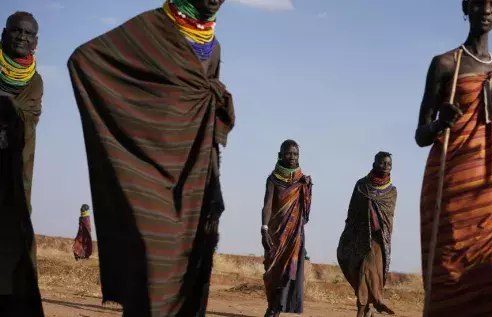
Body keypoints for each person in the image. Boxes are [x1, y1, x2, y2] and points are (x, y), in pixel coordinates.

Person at [67, 0, 235, 316]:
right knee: (151, 259)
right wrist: (136, 130)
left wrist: (215, 182)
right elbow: (85, 60)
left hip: (195, 173)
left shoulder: (212, 46)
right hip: (149, 169)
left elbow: (205, 107)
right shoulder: (151, 30)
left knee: (192, 260)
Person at [414, 0, 492, 316]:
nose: (485, 9)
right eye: (478, 2)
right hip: (451, 187)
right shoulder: (445, 64)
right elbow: (420, 135)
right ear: (466, 8)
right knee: (450, 275)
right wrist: (440, 122)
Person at [0, 11, 45, 317]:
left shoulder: (36, 81)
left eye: (28, 34)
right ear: (4, 34)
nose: (21, 37)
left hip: (16, 163)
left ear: (36, 42)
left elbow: (29, 117)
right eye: (16, 31)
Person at [337, 151, 397, 317]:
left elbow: (388, 216)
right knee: (358, 270)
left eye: (389, 164)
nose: (385, 167)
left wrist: (374, 207)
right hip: (359, 235)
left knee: (367, 269)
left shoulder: (392, 191)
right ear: (373, 164)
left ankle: (363, 308)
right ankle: (372, 305)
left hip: (377, 239)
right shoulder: (361, 185)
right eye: (382, 163)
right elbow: (352, 210)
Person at [261, 140, 312, 317]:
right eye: (289, 153)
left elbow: (304, 212)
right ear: (280, 155)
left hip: (294, 235)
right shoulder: (273, 179)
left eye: (295, 154)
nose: (292, 157)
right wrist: (264, 228)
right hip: (275, 233)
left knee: (288, 270)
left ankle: (276, 309)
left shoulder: (303, 182)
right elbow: (267, 206)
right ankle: (271, 305)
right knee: (271, 270)